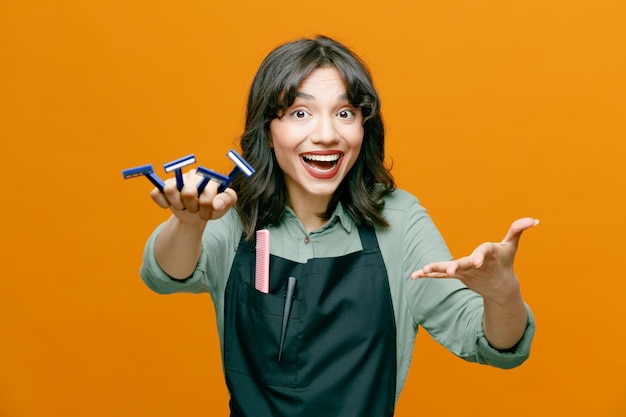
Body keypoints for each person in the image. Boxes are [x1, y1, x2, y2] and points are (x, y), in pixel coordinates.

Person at [139, 35, 536, 417]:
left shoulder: (398, 220)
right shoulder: (231, 211)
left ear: (365, 127)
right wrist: (188, 222)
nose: (327, 134)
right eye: (300, 113)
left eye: (345, 113)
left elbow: (491, 343)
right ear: (268, 130)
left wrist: (503, 294)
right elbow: (167, 274)